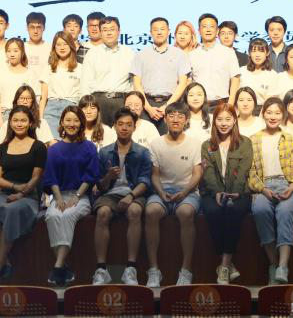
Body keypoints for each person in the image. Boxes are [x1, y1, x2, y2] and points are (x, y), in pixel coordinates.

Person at [145, 102, 203, 287]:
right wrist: (161, 192)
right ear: (165, 119)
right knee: (151, 212)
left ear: (186, 120)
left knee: (185, 213)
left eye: (180, 116)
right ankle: (153, 270)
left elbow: (197, 174)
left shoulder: (195, 144)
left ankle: (186, 270)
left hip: (188, 191)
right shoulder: (156, 144)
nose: (175, 119)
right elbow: (154, 175)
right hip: (162, 190)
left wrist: (184, 192)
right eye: (171, 115)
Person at [92, 108, 153, 286]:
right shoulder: (104, 152)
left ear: (134, 127)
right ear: (114, 126)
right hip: (110, 194)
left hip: (134, 193)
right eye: (120, 124)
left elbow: (145, 182)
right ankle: (101, 269)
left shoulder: (142, 152)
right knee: (102, 213)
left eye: (128, 125)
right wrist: (108, 177)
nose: (124, 128)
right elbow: (100, 186)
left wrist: (131, 196)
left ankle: (131, 268)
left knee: (135, 211)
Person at [0, 105, 47, 281]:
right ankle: (6, 262)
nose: (19, 124)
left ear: (30, 123)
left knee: (12, 210)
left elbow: (36, 177)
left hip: (29, 195)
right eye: (15, 120)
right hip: (6, 192)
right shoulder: (2, 148)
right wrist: (14, 187)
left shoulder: (38, 146)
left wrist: (21, 193)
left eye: (23, 120)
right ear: (10, 123)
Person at [43, 105, 100, 286]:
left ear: (81, 123)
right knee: (52, 215)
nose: (72, 124)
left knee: (67, 215)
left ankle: (57, 265)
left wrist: (77, 195)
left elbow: (91, 175)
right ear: (61, 122)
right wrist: (58, 198)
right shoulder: (53, 149)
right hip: (59, 194)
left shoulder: (89, 147)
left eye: (76, 120)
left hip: (81, 196)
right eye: (68, 120)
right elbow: (50, 176)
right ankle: (63, 267)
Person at [249, 96, 293, 285]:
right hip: (263, 187)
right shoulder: (253, 140)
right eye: (269, 112)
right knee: (260, 209)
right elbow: (250, 172)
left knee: (285, 211)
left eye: (277, 113)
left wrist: (291, 187)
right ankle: (273, 264)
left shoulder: (290, 139)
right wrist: (263, 189)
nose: (273, 116)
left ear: (283, 115)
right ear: (263, 114)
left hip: (286, 185)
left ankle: (282, 266)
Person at [200, 103, 253, 284]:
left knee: (232, 210)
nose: (224, 123)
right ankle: (228, 265)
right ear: (214, 121)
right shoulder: (207, 145)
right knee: (213, 211)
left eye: (228, 119)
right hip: (212, 192)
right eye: (220, 119)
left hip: (240, 192)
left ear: (235, 120)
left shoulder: (245, 143)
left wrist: (235, 193)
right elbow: (207, 172)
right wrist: (216, 192)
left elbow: (244, 171)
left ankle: (223, 266)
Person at [131, 17, 191, 131]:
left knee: (170, 140)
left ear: (168, 31)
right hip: (147, 104)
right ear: (150, 32)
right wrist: (148, 108)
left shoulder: (180, 55)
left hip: (172, 104)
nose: (159, 32)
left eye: (162, 29)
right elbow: (136, 83)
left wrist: (167, 106)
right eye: (155, 29)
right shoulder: (141, 55)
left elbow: (183, 83)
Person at [80, 16, 135, 128]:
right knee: (98, 134)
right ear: (100, 33)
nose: (109, 33)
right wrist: (86, 107)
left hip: (122, 101)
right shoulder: (92, 53)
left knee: (123, 134)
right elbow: (85, 82)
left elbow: (134, 82)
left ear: (119, 31)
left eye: (112, 29)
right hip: (99, 101)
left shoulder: (129, 53)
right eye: (105, 30)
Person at [189, 13, 240, 108]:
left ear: (217, 31)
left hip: (222, 105)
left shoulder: (228, 52)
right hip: (198, 106)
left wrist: (230, 104)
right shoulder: (192, 55)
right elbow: (189, 81)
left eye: (211, 27)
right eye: (204, 26)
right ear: (199, 31)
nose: (208, 30)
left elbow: (235, 79)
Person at [40, 32, 83, 137]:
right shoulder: (48, 68)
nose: (62, 47)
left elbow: (83, 95)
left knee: (69, 142)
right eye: (58, 44)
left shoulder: (80, 68)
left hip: (72, 108)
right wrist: (40, 119)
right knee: (51, 142)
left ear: (71, 45)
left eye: (65, 44)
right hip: (51, 109)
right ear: (54, 47)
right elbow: (43, 97)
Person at [0, 38, 40, 125]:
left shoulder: (31, 74)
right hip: (4, 115)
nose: (12, 54)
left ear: (22, 52)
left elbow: (36, 99)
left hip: (24, 116)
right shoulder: (0, 73)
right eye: (9, 51)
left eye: (16, 51)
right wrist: (1, 124)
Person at [239, 38, 277, 107]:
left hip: (263, 109)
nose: (257, 55)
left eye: (261, 51)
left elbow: (271, 101)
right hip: (242, 109)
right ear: (249, 53)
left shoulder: (272, 74)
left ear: (267, 53)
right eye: (254, 51)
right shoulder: (241, 71)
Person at [24, 12, 50, 79]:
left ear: (44, 28)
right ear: (27, 28)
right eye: (32, 27)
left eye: (39, 27)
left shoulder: (51, 48)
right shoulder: (20, 48)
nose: (35, 31)